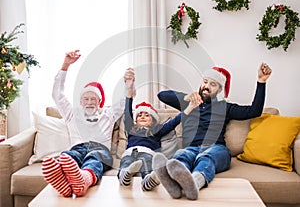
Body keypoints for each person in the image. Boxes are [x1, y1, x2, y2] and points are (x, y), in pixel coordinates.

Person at [153, 63, 272, 200]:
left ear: (220, 89)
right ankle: (175, 185)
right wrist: (186, 98)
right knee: (181, 154)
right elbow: (161, 95)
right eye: (205, 82)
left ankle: (195, 183)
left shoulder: (225, 107)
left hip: (216, 149)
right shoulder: (189, 103)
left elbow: (254, 111)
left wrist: (261, 82)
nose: (207, 86)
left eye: (213, 84)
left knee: (206, 156)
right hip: (191, 149)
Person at [41, 50, 135, 197]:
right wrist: (65, 65)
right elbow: (57, 95)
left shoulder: (108, 114)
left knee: (95, 157)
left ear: (99, 102)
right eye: (86, 99)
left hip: (100, 150)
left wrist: (128, 85)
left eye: (93, 99)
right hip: (77, 149)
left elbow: (125, 101)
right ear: (80, 102)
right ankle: (64, 183)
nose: (90, 102)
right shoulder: (72, 113)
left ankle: (84, 179)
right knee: (67, 156)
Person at [118, 69, 199, 191]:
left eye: (147, 115)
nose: (143, 116)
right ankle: (125, 175)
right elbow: (127, 111)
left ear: (153, 120)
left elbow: (174, 122)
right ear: (135, 121)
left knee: (148, 165)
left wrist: (190, 107)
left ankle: (148, 181)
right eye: (139, 115)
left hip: (147, 153)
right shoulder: (131, 129)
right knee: (125, 164)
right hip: (130, 152)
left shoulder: (156, 130)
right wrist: (129, 88)